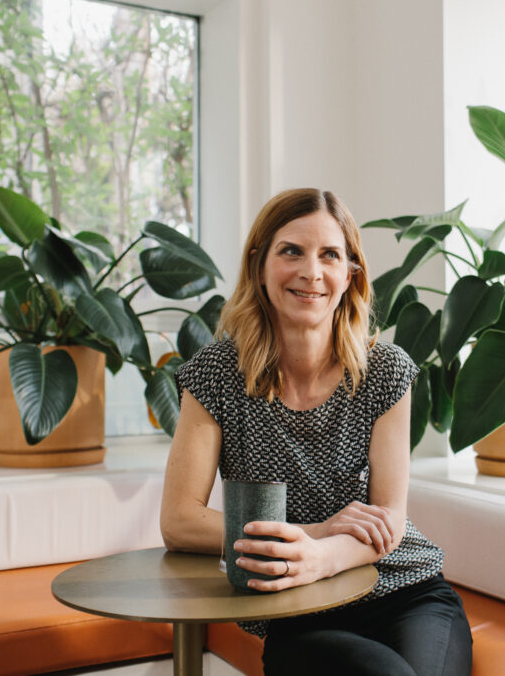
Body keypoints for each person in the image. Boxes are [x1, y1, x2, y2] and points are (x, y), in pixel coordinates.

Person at [160, 187, 472, 676]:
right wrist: (315, 534)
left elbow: (387, 524)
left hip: (406, 592)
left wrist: (319, 555)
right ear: (260, 264)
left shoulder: (385, 371)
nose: (311, 272)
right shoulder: (216, 375)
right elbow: (179, 521)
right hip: (297, 611)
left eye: (330, 255)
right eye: (292, 251)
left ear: (351, 274)